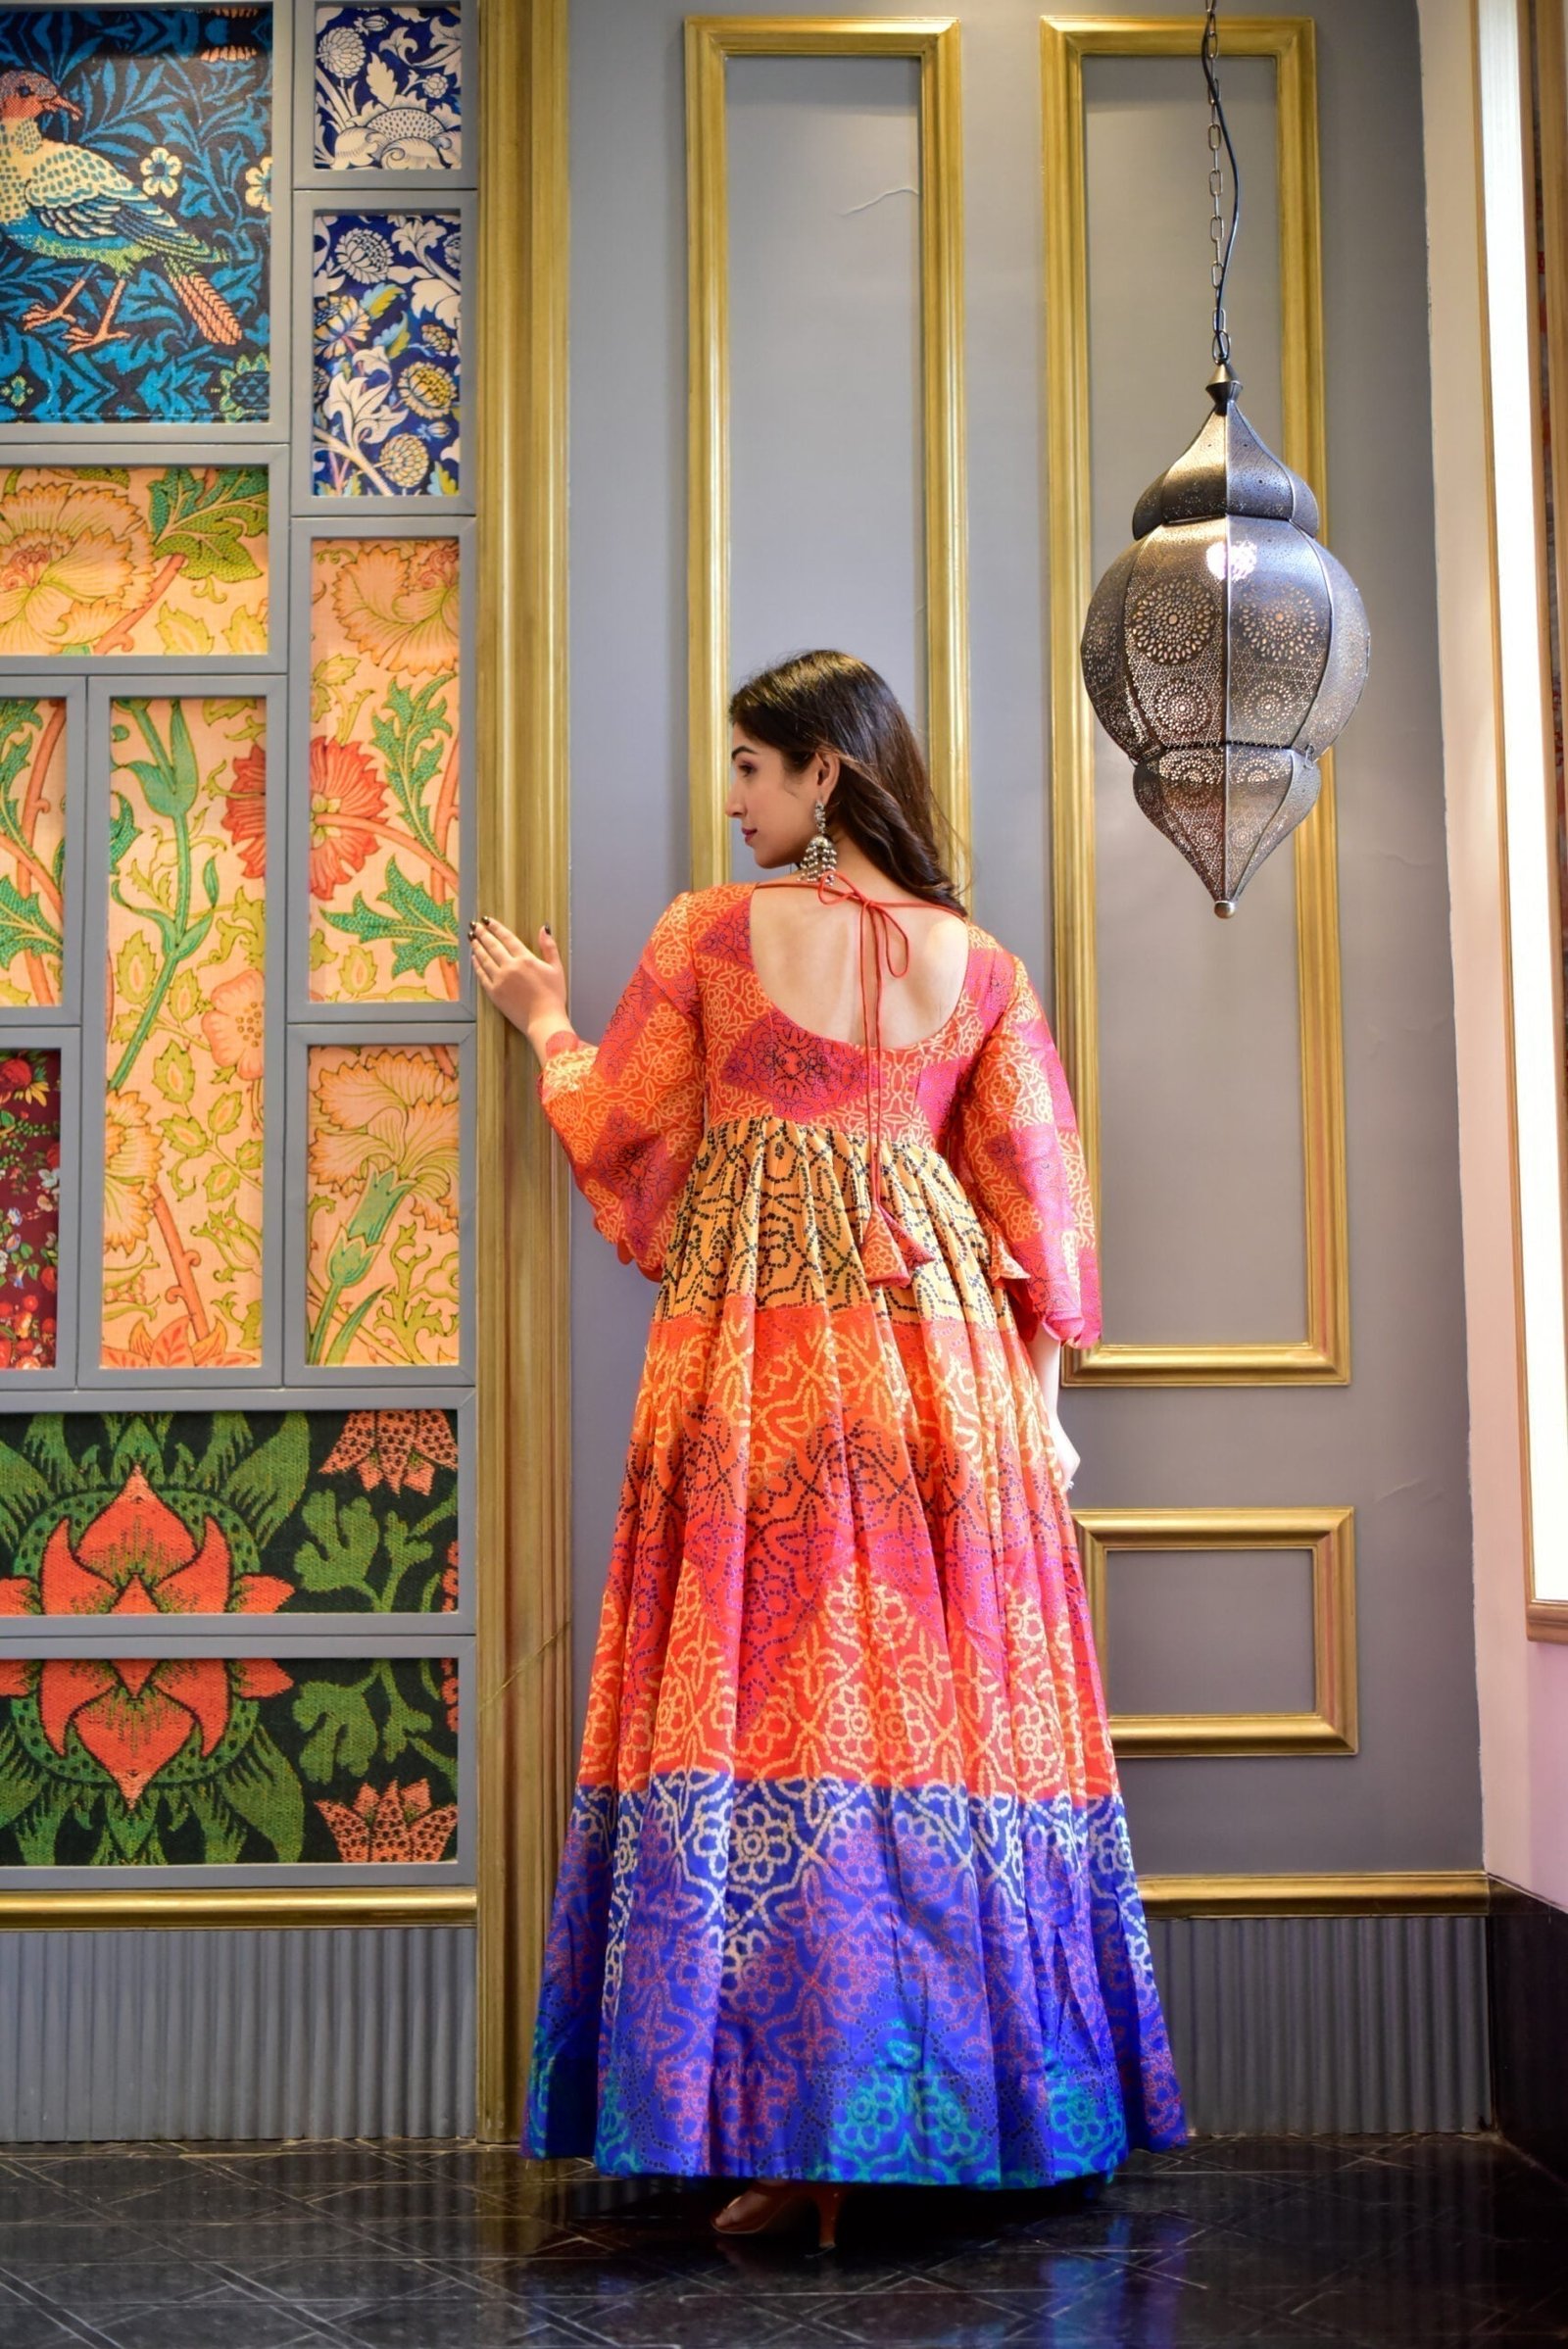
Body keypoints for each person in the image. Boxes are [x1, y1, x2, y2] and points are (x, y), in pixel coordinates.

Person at [468, 650, 1185, 2251]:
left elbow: (625, 1133)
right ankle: (941, 2121)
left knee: (760, 1712)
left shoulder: (707, 936)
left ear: (824, 776)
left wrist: (546, 1025)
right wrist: (1043, 1414)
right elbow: (1045, 1211)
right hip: (944, 1381)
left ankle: (791, 2126)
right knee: (935, 1729)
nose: (732, 798)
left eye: (750, 766)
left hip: (763, 1369)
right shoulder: (981, 968)